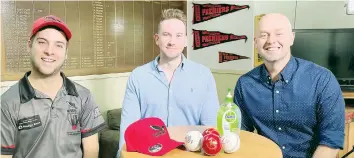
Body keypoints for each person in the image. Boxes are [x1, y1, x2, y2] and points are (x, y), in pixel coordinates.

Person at [234, 13, 345, 158]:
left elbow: (331, 141)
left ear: (292, 37)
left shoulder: (322, 80)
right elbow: (242, 135)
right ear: (255, 42)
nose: (271, 40)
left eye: (279, 33)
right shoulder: (245, 84)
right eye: (263, 35)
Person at [117, 8, 220, 157]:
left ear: (186, 40)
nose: (172, 42)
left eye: (178, 36)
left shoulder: (203, 75)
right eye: (166, 35)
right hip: (148, 154)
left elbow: (210, 128)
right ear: (157, 39)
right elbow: (128, 130)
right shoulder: (138, 77)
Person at [1, 15, 106, 158]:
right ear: (29, 46)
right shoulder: (7, 103)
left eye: (59, 45)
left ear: (66, 53)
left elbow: (91, 150)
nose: (50, 51)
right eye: (42, 42)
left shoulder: (83, 96)